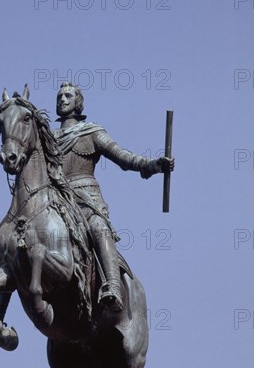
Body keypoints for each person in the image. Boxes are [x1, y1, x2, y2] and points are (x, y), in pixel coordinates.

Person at [54, 82, 174, 310]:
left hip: (86, 200)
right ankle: (1, 301)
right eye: (59, 96)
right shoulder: (47, 138)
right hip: (56, 200)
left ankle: (112, 286)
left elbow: (122, 157)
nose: (62, 99)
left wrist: (153, 164)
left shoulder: (91, 132)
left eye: (68, 95)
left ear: (78, 102)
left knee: (99, 228)